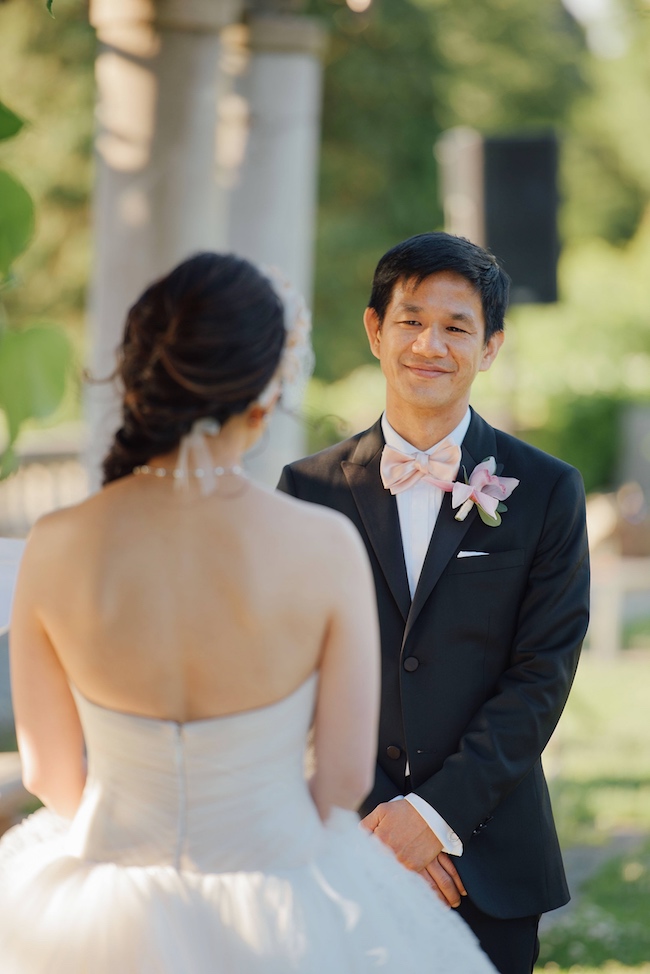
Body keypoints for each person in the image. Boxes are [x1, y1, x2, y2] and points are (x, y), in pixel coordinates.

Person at [0, 252, 497, 973]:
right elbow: (343, 778)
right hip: (278, 885)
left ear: (142, 379)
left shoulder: (58, 543)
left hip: (100, 896)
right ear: (266, 390)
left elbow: (50, 775)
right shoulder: (322, 542)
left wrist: (128, 863)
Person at [278, 232, 590, 974]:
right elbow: (295, 674)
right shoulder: (308, 491)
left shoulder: (547, 490)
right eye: (411, 320)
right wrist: (377, 826)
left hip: (490, 860)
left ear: (490, 347)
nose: (429, 344)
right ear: (374, 330)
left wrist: (432, 816)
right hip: (342, 851)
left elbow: (540, 677)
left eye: (457, 327)